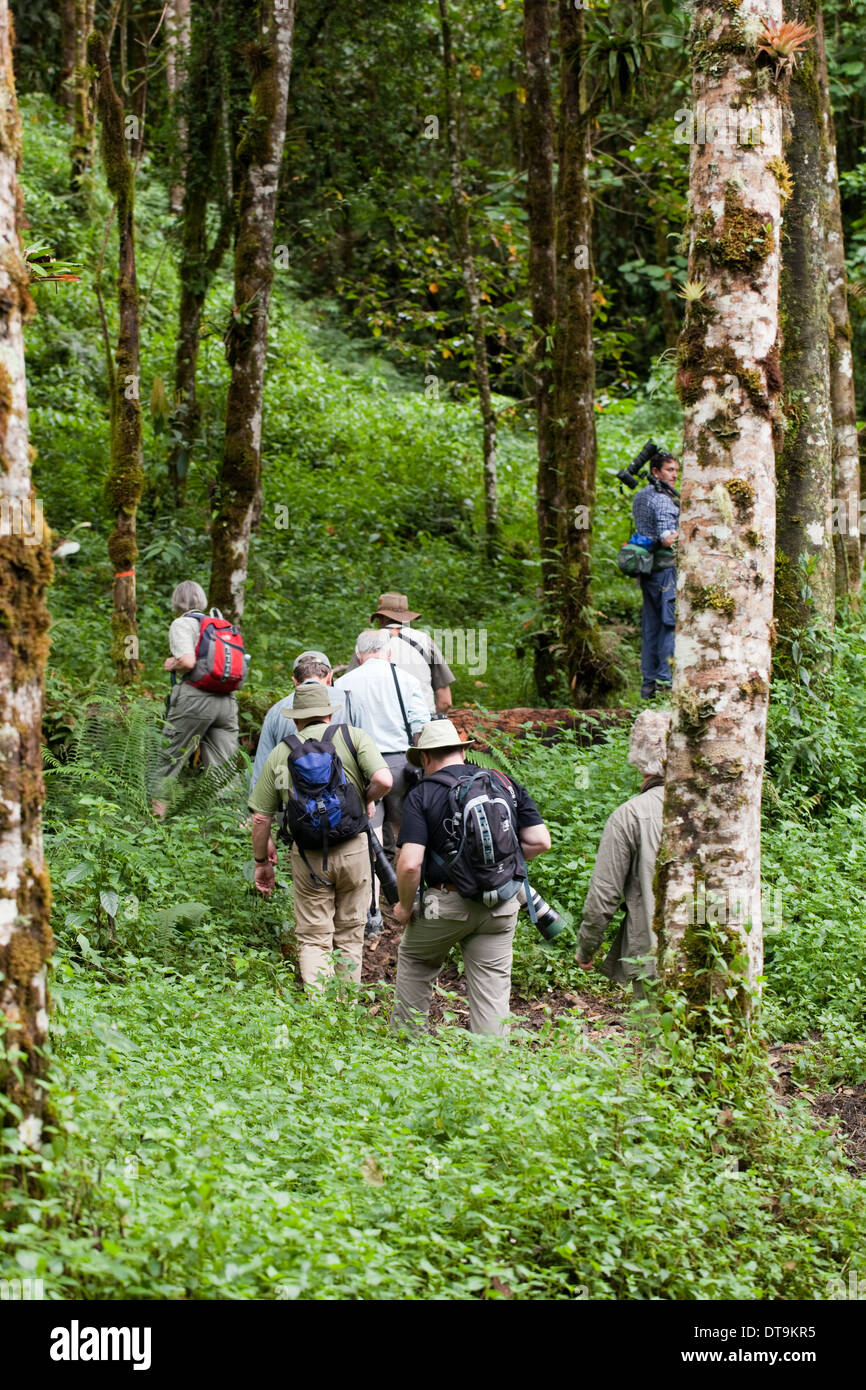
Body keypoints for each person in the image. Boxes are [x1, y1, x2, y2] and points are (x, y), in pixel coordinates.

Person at [391, 719, 551, 1037]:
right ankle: (490, 1068)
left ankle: (405, 1052)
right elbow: (540, 841)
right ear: (463, 752)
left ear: (425, 758)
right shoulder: (503, 782)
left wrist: (404, 907)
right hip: (502, 903)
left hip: (444, 906)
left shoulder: (422, 794)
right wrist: (496, 867)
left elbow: (410, 865)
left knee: (416, 962)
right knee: (492, 988)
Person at [248, 683, 392, 989]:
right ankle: (346, 1007)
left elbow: (261, 817)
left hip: (309, 856)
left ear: (296, 719)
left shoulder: (281, 752)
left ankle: (320, 1014)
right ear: (328, 713)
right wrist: (368, 797)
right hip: (354, 848)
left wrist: (262, 861)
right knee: (351, 933)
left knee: (314, 937)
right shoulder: (354, 737)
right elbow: (384, 779)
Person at [575, 709, 671, 998]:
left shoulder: (629, 815)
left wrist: (586, 948)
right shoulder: (710, 809)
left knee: (660, 1040)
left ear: (638, 758)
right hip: (711, 953)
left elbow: (604, 895)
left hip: (654, 956)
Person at [152, 581, 240, 816]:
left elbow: (188, 661)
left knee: (167, 758)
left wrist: (172, 663)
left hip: (196, 699)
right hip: (227, 701)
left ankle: (152, 823)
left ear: (176, 602)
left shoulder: (182, 624)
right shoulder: (221, 625)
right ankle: (232, 825)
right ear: (201, 600)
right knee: (225, 769)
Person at [335, 629, 430, 843]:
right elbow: (420, 726)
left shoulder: (342, 684)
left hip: (362, 766)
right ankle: (400, 873)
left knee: (371, 830)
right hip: (401, 765)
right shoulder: (406, 680)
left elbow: (339, 729)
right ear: (388, 653)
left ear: (359, 654)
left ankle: (376, 874)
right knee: (402, 830)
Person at [250, 650, 371, 793]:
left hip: (294, 807)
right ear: (330, 676)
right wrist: (370, 800)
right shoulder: (351, 702)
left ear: (295, 682)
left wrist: (261, 811)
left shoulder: (276, 711)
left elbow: (262, 771)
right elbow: (370, 761)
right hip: (347, 805)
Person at [342, 592, 456, 714]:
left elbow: (346, 694)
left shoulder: (366, 644)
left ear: (380, 619)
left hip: (379, 723)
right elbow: (445, 701)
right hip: (422, 723)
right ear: (406, 618)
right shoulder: (425, 641)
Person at [632, 452, 680, 701]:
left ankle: (648, 686)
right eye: (669, 470)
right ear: (655, 472)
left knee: (651, 627)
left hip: (647, 571)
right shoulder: (662, 500)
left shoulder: (641, 497)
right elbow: (667, 538)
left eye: (676, 470)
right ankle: (664, 683)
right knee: (668, 626)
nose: (674, 475)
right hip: (665, 573)